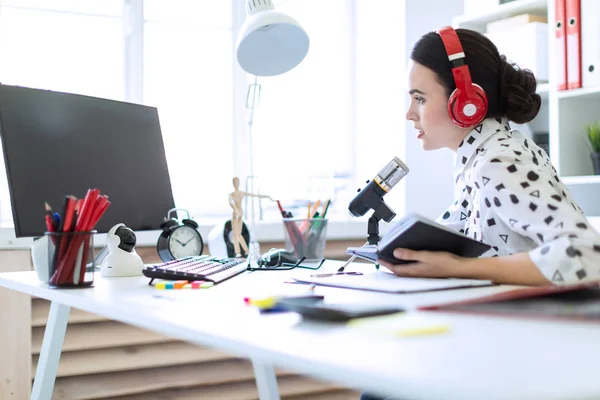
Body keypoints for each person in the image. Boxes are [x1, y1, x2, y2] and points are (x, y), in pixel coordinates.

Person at [361, 25, 600, 400]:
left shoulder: (498, 159)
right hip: (509, 339)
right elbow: (470, 232)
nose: (410, 114)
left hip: (537, 356)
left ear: (466, 101)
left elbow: (587, 256)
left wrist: (460, 268)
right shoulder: (478, 156)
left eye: (420, 99)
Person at [228, 176, 274, 257]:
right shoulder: (233, 194)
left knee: (236, 234)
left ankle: (240, 251)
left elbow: (255, 195)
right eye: (234, 182)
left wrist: (268, 197)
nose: (235, 184)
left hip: (237, 213)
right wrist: (235, 209)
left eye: (236, 182)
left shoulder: (237, 193)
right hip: (238, 212)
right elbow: (230, 202)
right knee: (237, 234)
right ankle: (244, 250)